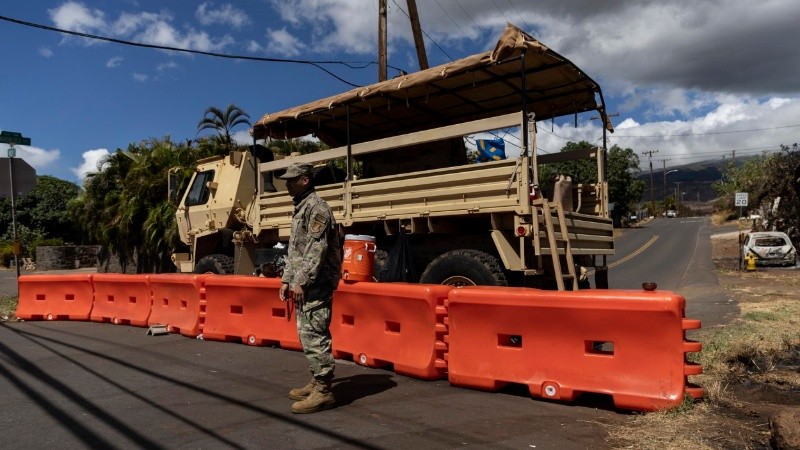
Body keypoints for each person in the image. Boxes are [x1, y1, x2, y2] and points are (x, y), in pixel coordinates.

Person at [278, 162, 342, 414]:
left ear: (305, 180)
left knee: (315, 333)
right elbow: (296, 249)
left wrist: (301, 280)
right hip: (306, 281)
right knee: (307, 332)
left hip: (316, 282)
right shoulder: (301, 207)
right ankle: (317, 380)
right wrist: (286, 279)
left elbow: (317, 249)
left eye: (292, 179)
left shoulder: (317, 208)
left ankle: (324, 391)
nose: (287, 184)